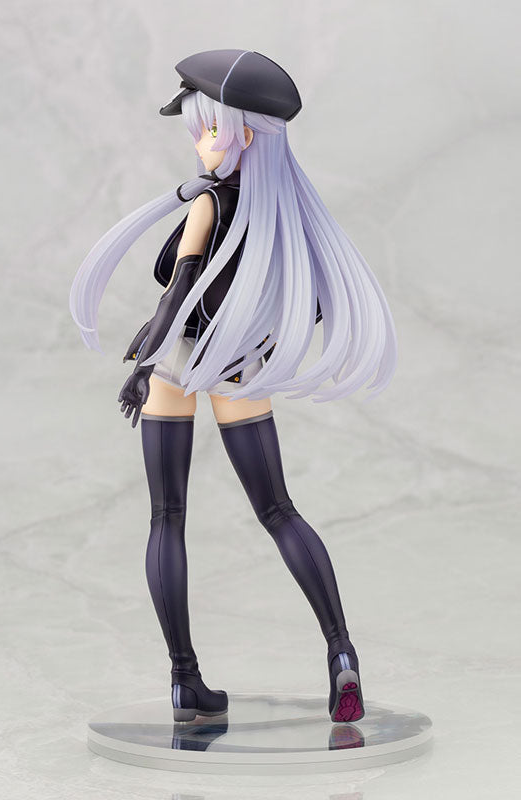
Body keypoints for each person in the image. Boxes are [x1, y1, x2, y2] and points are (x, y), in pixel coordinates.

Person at [69, 49, 397, 724]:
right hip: (238, 361)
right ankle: (340, 650)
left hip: (181, 360)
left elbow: (178, 293)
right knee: (279, 510)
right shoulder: (284, 214)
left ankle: (184, 678)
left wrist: (143, 366)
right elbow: (304, 300)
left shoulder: (210, 204)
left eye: (210, 129)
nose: (200, 143)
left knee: (167, 516)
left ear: (246, 133)